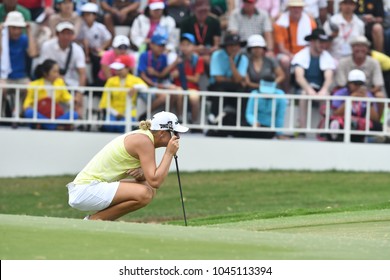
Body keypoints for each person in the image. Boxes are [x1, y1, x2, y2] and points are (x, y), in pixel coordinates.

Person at [66, 111, 189, 221]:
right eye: (175, 133)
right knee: (144, 194)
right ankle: (94, 221)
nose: (178, 137)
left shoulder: (144, 137)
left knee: (149, 189)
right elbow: (155, 180)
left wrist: (141, 175)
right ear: (162, 133)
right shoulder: (144, 141)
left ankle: (96, 220)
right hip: (85, 191)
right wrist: (169, 153)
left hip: (89, 189)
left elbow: (151, 182)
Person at [291, 28, 336, 132]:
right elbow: (299, 77)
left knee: (326, 95)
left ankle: (323, 130)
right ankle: (302, 129)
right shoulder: (300, 56)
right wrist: (309, 90)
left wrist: (323, 90)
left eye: (324, 42)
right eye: (320, 42)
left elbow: (329, 77)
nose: (323, 45)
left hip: (319, 90)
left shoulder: (327, 57)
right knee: (303, 94)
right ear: (312, 41)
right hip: (303, 89)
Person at [39, 21, 86, 118]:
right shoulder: (47, 46)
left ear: (73, 35)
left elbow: (82, 73)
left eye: (69, 33)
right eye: (63, 33)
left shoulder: (77, 50)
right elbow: (43, 67)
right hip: (50, 81)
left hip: (70, 83)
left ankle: (77, 123)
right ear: (57, 34)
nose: (66, 36)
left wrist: (79, 93)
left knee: (78, 100)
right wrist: (57, 78)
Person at [207, 33, 249, 136]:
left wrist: (232, 64)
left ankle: (242, 122)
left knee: (244, 92)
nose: (234, 48)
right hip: (218, 86)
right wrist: (233, 79)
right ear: (226, 46)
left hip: (234, 87)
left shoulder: (243, 59)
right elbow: (218, 78)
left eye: (237, 45)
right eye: (231, 45)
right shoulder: (216, 55)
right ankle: (215, 120)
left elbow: (239, 79)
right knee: (219, 90)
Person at [335, 35, 386, 117]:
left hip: (368, 92)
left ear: (367, 49)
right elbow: (341, 84)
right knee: (339, 94)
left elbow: (378, 85)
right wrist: (353, 94)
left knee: (380, 95)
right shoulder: (343, 62)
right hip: (346, 92)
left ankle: (380, 123)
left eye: (363, 46)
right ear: (352, 48)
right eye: (357, 46)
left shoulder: (374, 62)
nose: (360, 49)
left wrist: (365, 95)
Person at [0, 11, 38, 120]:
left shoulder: (24, 39)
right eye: (13, 28)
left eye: (19, 28)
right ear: (8, 28)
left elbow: (33, 53)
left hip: (21, 77)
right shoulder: (3, 39)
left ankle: (20, 115)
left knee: (31, 88)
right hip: (4, 77)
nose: (17, 31)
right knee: (0, 89)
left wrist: (29, 32)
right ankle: (2, 115)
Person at [273, 0, 317, 93]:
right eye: (293, 7)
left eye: (299, 7)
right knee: (285, 61)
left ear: (302, 9)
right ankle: (286, 91)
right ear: (289, 8)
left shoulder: (310, 22)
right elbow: (281, 48)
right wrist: (294, 57)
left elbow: (313, 43)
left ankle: (308, 90)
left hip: (305, 54)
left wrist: (301, 57)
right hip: (287, 54)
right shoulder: (280, 23)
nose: (296, 10)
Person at [23, 59, 79, 130]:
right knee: (29, 113)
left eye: (58, 72)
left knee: (74, 114)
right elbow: (27, 104)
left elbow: (67, 97)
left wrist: (73, 101)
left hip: (55, 116)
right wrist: (28, 107)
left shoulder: (60, 83)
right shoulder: (34, 85)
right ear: (45, 73)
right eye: (54, 72)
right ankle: (55, 126)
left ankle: (48, 126)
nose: (57, 74)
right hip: (40, 115)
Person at [329, 69, 382, 142]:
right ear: (349, 83)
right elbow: (336, 113)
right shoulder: (340, 93)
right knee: (334, 122)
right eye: (355, 83)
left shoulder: (368, 95)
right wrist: (351, 99)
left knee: (378, 126)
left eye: (360, 84)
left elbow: (375, 118)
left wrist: (368, 101)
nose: (358, 86)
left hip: (361, 123)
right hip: (344, 121)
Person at [99, 55, 148, 133]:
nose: (117, 71)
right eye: (116, 69)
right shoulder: (111, 81)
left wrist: (135, 87)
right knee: (109, 126)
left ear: (128, 68)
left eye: (120, 69)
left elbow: (145, 87)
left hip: (129, 113)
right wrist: (116, 113)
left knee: (126, 126)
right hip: (113, 113)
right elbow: (105, 101)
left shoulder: (134, 80)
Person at [137, 29, 179, 113]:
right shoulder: (144, 56)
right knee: (164, 96)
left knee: (175, 91)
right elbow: (142, 75)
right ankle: (145, 115)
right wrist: (156, 85)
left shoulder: (163, 57)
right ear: (151, 45)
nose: (162, 48)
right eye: (159, 45)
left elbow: (162, 75)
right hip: (145, 87)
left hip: (158, 85)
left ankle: (168, 117)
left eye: (163, 45)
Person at [171, 33, 204, 124]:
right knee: (178, 92)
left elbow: (196, 79)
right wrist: (175, 64)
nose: (185, 47)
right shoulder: (176, 59)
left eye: (188, 45)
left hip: (193, 87)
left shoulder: (198, 59)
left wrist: (182, 75)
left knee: (194, 98)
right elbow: (172, 75)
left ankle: (193, 122)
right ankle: (179, 118)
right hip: (178, 86)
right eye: (183, 45)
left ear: (194, 47)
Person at [76, 2, 112, 86]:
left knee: (99, 60)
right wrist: (84, 45)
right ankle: (87, 83)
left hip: (98, 51)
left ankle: (97, 82)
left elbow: (108, 38)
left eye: (89, 14)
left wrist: (102, 48)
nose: (86, 17)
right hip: (84, 51)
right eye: (85, 15)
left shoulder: (100, 27)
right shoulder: (81, 27)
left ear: (95, 16)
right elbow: (76, 39)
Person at [180, 0, 221, 69]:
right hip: (191, 53)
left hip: (209, 53)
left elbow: (217, 45)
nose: (203, 9)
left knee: (214, 57)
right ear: (194, 9)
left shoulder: (215, 22)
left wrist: (209, 50)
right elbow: (184, 46)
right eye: (200, 8)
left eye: (206, 7)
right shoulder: (186, 23)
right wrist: (197, 49)